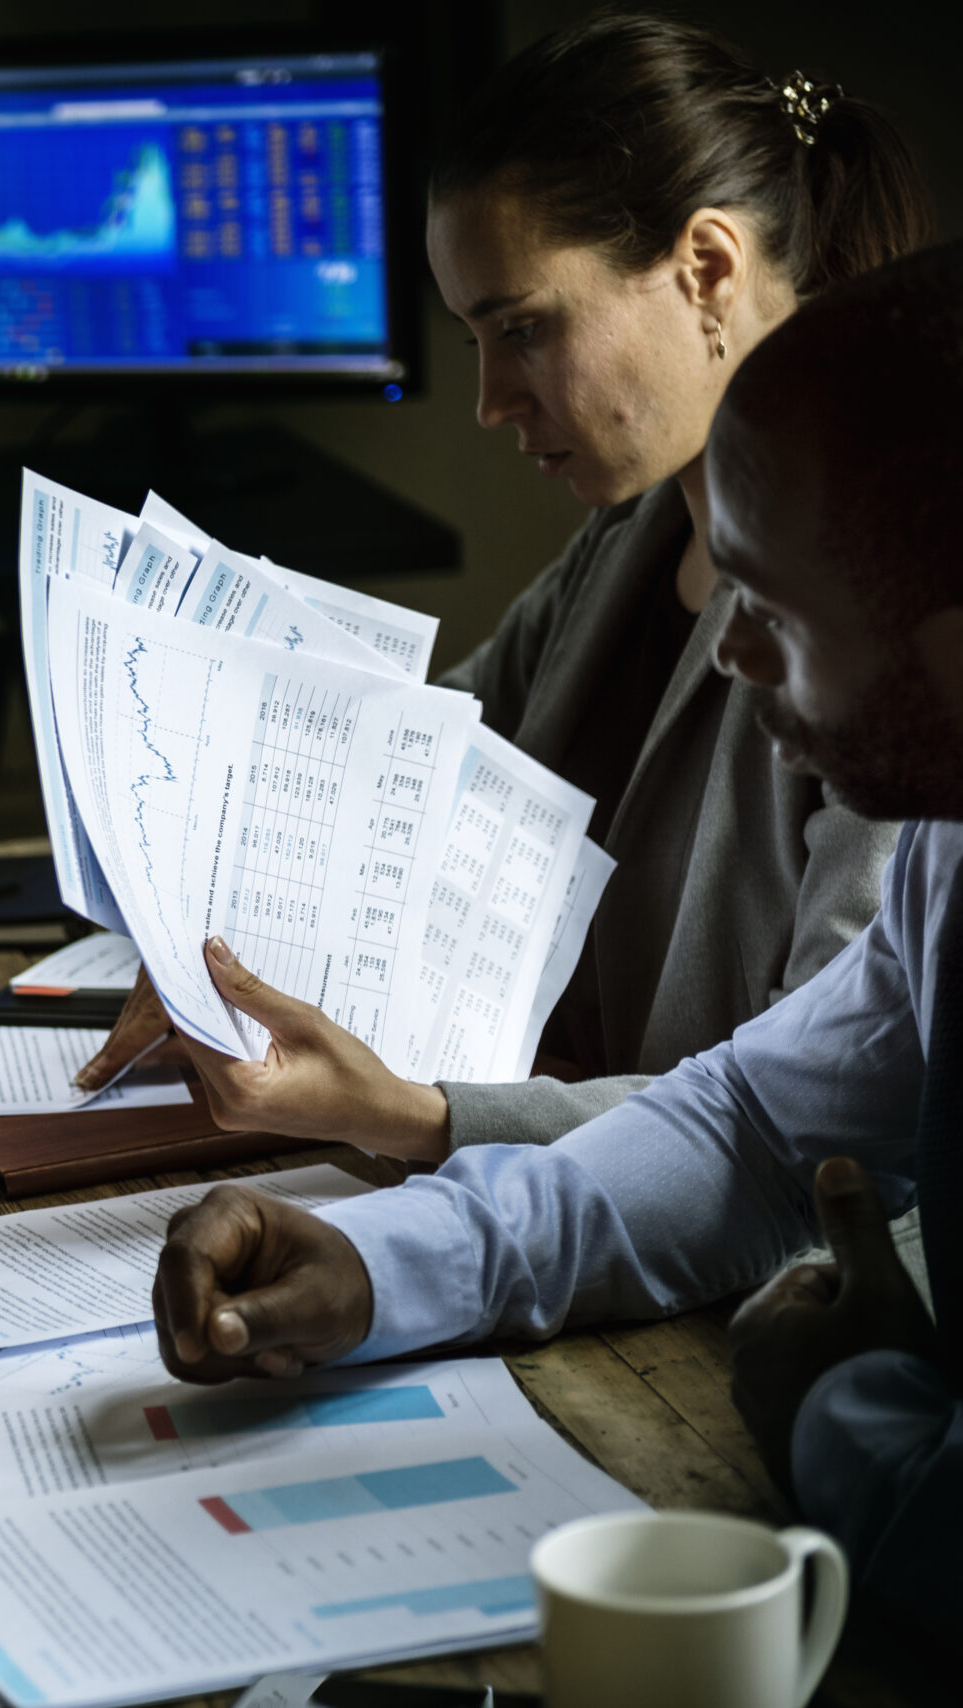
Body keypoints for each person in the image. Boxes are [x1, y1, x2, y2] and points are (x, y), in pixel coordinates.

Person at [151, 241, 963, 1635]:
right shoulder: (948, 843)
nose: (735, 658)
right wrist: (381, 1266)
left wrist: (843, 1418)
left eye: (771, 611)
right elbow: (751, 1123)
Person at [76, 16, 932, 1160]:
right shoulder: (625, 541)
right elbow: (415, 764)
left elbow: (821, 1114)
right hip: (551, 1212)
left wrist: (419, 1118)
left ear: (708, 271)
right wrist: (212, 933)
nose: (489, 402)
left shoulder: (890, 621)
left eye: (523, 329)